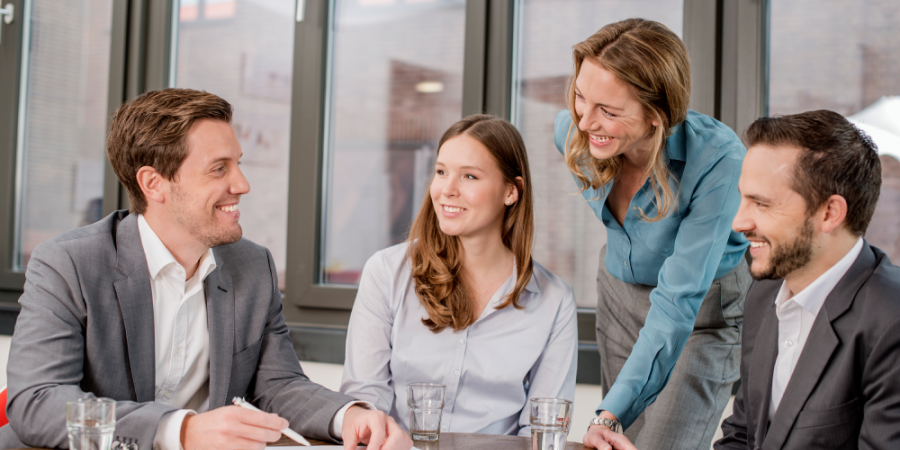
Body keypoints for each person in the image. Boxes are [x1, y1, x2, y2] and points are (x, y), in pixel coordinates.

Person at [0, 88, 412, 450]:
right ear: (154, 183)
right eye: (220, 168)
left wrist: (350, 416)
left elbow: (279, 385)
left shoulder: (252, 266)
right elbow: (37, 401)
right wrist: (181, 432)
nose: (242, 184)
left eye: (238, 163)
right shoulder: (69, 263)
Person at [587, 111, 900, 450]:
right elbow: (742, 436)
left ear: (829, 213)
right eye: (742, 199)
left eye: (761, 204)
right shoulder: (764, 295)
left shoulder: (890, 320)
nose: (738, 223)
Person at [554, 19, 750, 449]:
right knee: (616, 442)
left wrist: (607, 413)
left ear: (657, 115)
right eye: (581, 98)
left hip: (700, 311)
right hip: (620, 297)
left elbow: (679, 301)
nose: (585, 122)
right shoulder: (571, 132)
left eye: (608, 110)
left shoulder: (718, 161)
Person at [340, 114, 578, 436]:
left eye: (469, 176)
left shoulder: (554, 301)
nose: (446, 190)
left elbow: (543, 429)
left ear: (511, 191)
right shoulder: (386, 272)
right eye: (441, 172)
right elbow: (365, 400)